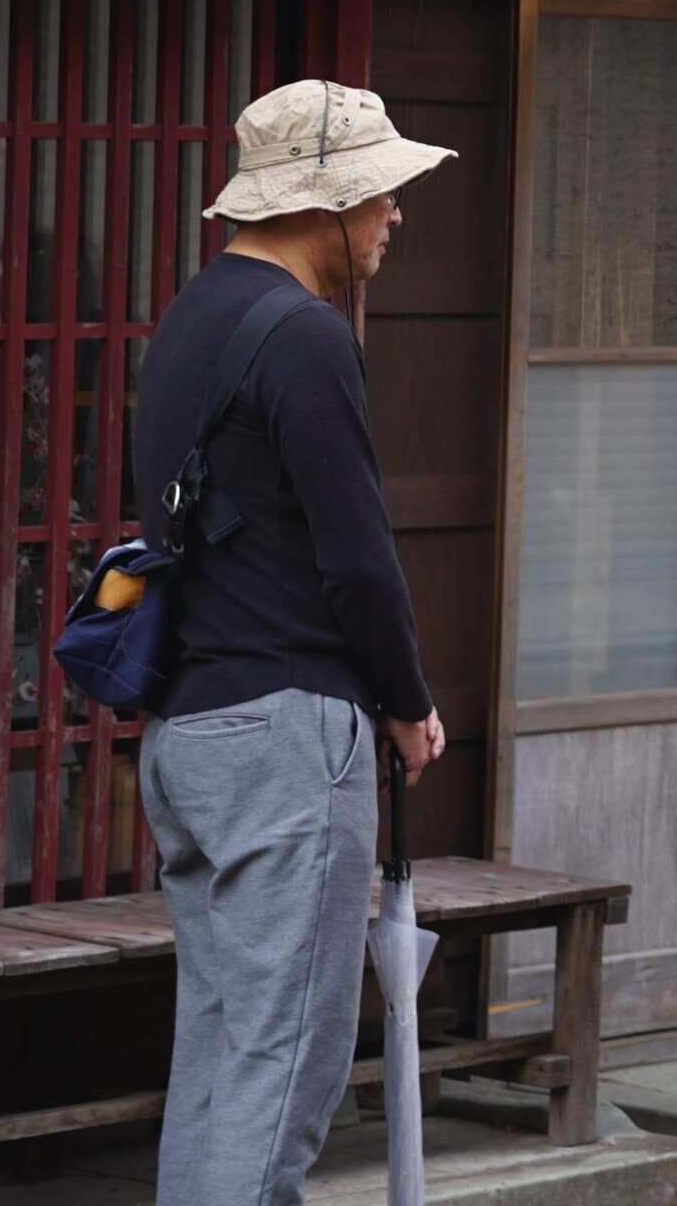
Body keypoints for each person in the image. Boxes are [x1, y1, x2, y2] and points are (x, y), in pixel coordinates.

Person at [135, 78, 453, 1206]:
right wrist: (407, 702)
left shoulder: (191, 319)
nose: (394, 215)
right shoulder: (307, 337)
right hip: (283, 741)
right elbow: (355, 555)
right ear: (323, 204)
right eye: (380, 193)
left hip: (189, 731)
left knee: (222, 1059)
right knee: (281, 1071)